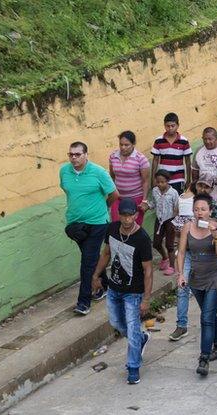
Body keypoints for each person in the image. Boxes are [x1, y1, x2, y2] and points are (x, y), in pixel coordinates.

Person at [91, 198, 153, 384]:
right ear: (120, 215)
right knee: (117, 322)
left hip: (133, 292)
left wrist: (146, 299)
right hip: (114, 287)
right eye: (124, 216)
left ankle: (133, 367)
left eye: (130, 216)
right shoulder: (112, 229)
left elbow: (148, 270)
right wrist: (96, 276)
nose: (127, 220)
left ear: (136, 215)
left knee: (132, 328)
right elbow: (106, 253)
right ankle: (141, 338)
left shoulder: (142, 238)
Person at [176, 194, 217, 376]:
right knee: (208, 314)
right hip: (196, 279)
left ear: (209, 211)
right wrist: (180, 275)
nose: (199, 213)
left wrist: (216, 235)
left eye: (203, 209)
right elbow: (182, 253)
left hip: (215, 278)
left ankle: (204, 358)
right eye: (196, 209)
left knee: (206, 318)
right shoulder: (187, 227)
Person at [61, 141, 119, 315]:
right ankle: (106, 286)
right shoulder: (64, 171)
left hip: (97, 223)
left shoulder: (99, 172)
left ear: (86, 155)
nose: (74, 158)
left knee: (87, 262)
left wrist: (102, 208)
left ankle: (84, 302)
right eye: (71, 154)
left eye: (77, 154)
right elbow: (69, 192)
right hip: (75, 224)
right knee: (91, 259)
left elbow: (114, 194)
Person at [108, 131, 151, 225]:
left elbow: (146, 181)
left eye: (126, 145)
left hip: (136, 199)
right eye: (121, 144)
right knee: (116, 225)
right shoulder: (113, 157)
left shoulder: (141, 159)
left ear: (133, 144)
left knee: (134, 227)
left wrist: (144, 200)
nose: (123, 147)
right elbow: (112, 176)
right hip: (118, 198)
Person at [147, 170, 179, 276]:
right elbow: (153, 203)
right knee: (156, 243)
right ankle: (165, 259)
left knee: (170, 245)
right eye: (158, 182)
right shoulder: (155, 191)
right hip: (159, 219)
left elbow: (177, 207)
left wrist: (174, 222)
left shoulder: (173, 193)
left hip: (170, 221)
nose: (160, 184)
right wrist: (147, 206)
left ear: (168, 181)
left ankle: (172, 266)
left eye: (163, 182)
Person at [151, 112, 192, 193]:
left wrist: (188, 180)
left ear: (177, 125)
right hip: (162, 179)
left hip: (178, 178)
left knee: (177, 203)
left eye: (172, 126)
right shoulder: (158, 140)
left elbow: (188, 162)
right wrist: (153, 179)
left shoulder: (184, 141)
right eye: (167, 126)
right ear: (164, 125)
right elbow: (155, 160)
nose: (170, 128)